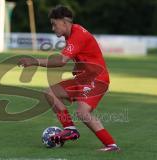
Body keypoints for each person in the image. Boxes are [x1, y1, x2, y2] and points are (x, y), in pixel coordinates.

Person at [18, 5, 120, 152]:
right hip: (84, 78)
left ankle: (111, 145)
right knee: (50, 92)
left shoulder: (77, 35)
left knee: (83, 113)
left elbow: (60, 61)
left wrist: (34, 61)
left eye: (54, 24)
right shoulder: (72, 33)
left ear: (64, 22)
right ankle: (70, 129)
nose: (53, 28)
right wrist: (78, 67)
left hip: (97, 79)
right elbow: (86, 54)